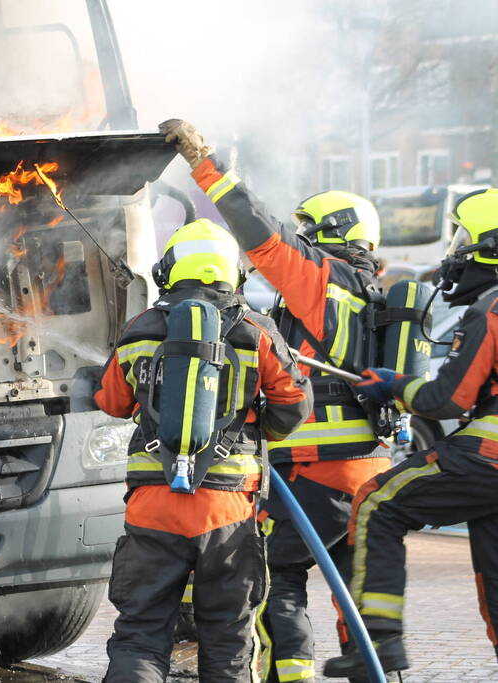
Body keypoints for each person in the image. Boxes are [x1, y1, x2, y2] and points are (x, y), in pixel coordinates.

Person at [160, 119, 396, 683]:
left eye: (310, 232)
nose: (303, 242)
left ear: (332, 233)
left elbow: (258, 230)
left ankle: (290, 678)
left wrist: (204, 163)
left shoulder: (321, 281)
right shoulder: (378, 296)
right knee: (354, 591)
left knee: (277, 580)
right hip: (373, 470)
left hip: (316, 468)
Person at [97, 218, 312, 683]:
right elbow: (295, 404)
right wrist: (260, 428)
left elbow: (112, 402)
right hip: (228, 511)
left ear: (168, 270)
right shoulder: (256, 330)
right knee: (229, 639)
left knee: (139, 635)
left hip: (153, 508)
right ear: (233, 271)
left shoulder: (141, 329)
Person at [322, 188, 498, 677]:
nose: (456, 251)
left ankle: (376, 643)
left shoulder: (492, 310)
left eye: (463, 237)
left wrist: (394, 385)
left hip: (489, 456)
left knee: (378, 502)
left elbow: (448, 399)